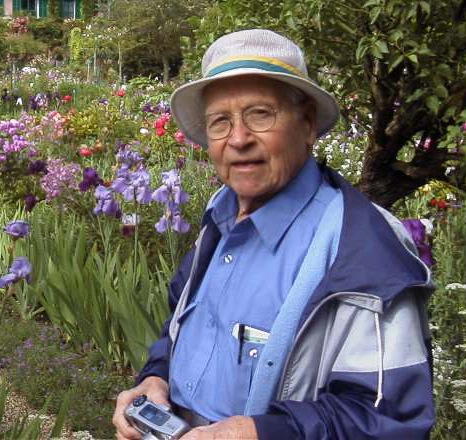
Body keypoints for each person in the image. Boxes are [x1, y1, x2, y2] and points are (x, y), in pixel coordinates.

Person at [112, 29, 434, 439]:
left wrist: (258, 433)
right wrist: (154, 380)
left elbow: (391, 422)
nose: (239, 139)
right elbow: (180, 332)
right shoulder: (220, 215)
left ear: (307, 124)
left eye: (260, 114)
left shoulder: (364, 250)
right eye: (220, 122)